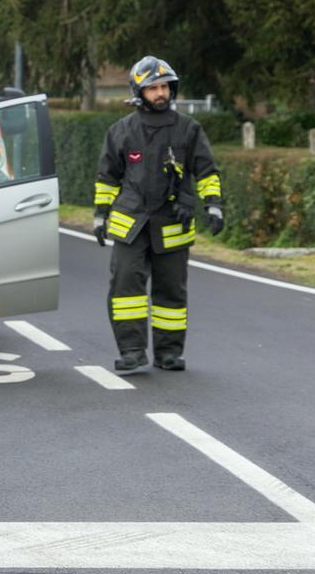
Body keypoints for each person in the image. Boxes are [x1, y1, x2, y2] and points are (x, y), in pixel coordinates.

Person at [93, 55, 223, 374]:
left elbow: (206, 171)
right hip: (131, 225)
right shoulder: (121, 131)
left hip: (173, 224)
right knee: (126, 288)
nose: (160, 93)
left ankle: (168, 353)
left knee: (171, 292)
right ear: (140, 92)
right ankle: (132, 351)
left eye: (164, 86)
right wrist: (100, 215)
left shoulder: (188, 130)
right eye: (153, 88)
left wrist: (213, 204)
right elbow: (107, 177)